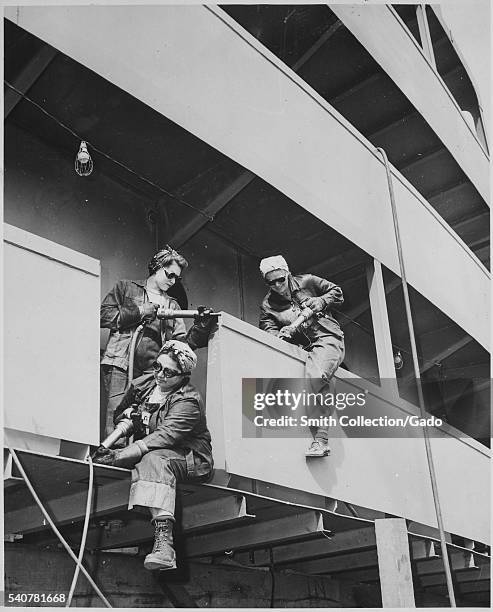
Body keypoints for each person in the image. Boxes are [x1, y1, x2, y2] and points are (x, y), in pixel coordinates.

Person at [93, 340, 213, 571]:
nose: (160, 375)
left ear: (183, 376)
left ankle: (165, 548)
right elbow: (120, 412)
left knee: (153, 459)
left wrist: (119, 455)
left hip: (190, 457)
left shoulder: (188, 400)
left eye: (168, 372)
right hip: (152, 451)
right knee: (147, 459)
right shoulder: (146, 384)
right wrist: (127, 417)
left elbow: (165, 436)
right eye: (158, 366)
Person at [100, 245, 215, 438]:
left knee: (144, 422)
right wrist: (140, 312)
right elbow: (103, 316)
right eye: (169, 275)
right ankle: (110, 461)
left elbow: (181, 345)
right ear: (156, 266)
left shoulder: (173, 305)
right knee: (116, 416)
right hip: (120, 363)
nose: (173, 281)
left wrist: (202, 326)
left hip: (151, 372)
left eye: (177, 278)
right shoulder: (126, 288)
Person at [258, 255, 345, 458]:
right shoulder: (267, 305)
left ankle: (321, 440)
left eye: (280, 279)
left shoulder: (307, 281)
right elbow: (268, 330)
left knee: (315, 377)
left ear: (287, 273)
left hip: (327, 337)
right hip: (300, 349)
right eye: (271, 282)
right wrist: (282, 335)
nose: (278, 285)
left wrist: (321, 301)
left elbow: (337, 293)